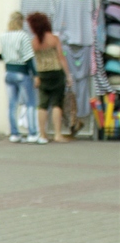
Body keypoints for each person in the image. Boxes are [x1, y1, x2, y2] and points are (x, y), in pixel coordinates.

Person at [26, 11, 74, 144]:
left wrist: (36, 76)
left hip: (42, 74)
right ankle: (58, 134)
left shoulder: (33, 42)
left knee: (42, 105)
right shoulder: (54, 39)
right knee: (56, 104)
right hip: (56, 73)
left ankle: (42, 134)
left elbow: (33, 61)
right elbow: (61, 58)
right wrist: (68, 75)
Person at [0, 11, 38, 143]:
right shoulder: (23, 36)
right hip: (22, 72)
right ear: (21, 21)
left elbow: (3, 55)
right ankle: (32, 133)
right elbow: (28, 57)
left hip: (9, 72)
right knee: (30, 103)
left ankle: (14, 133)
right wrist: (36, 75)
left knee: (12, 105)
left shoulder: (3, 36)